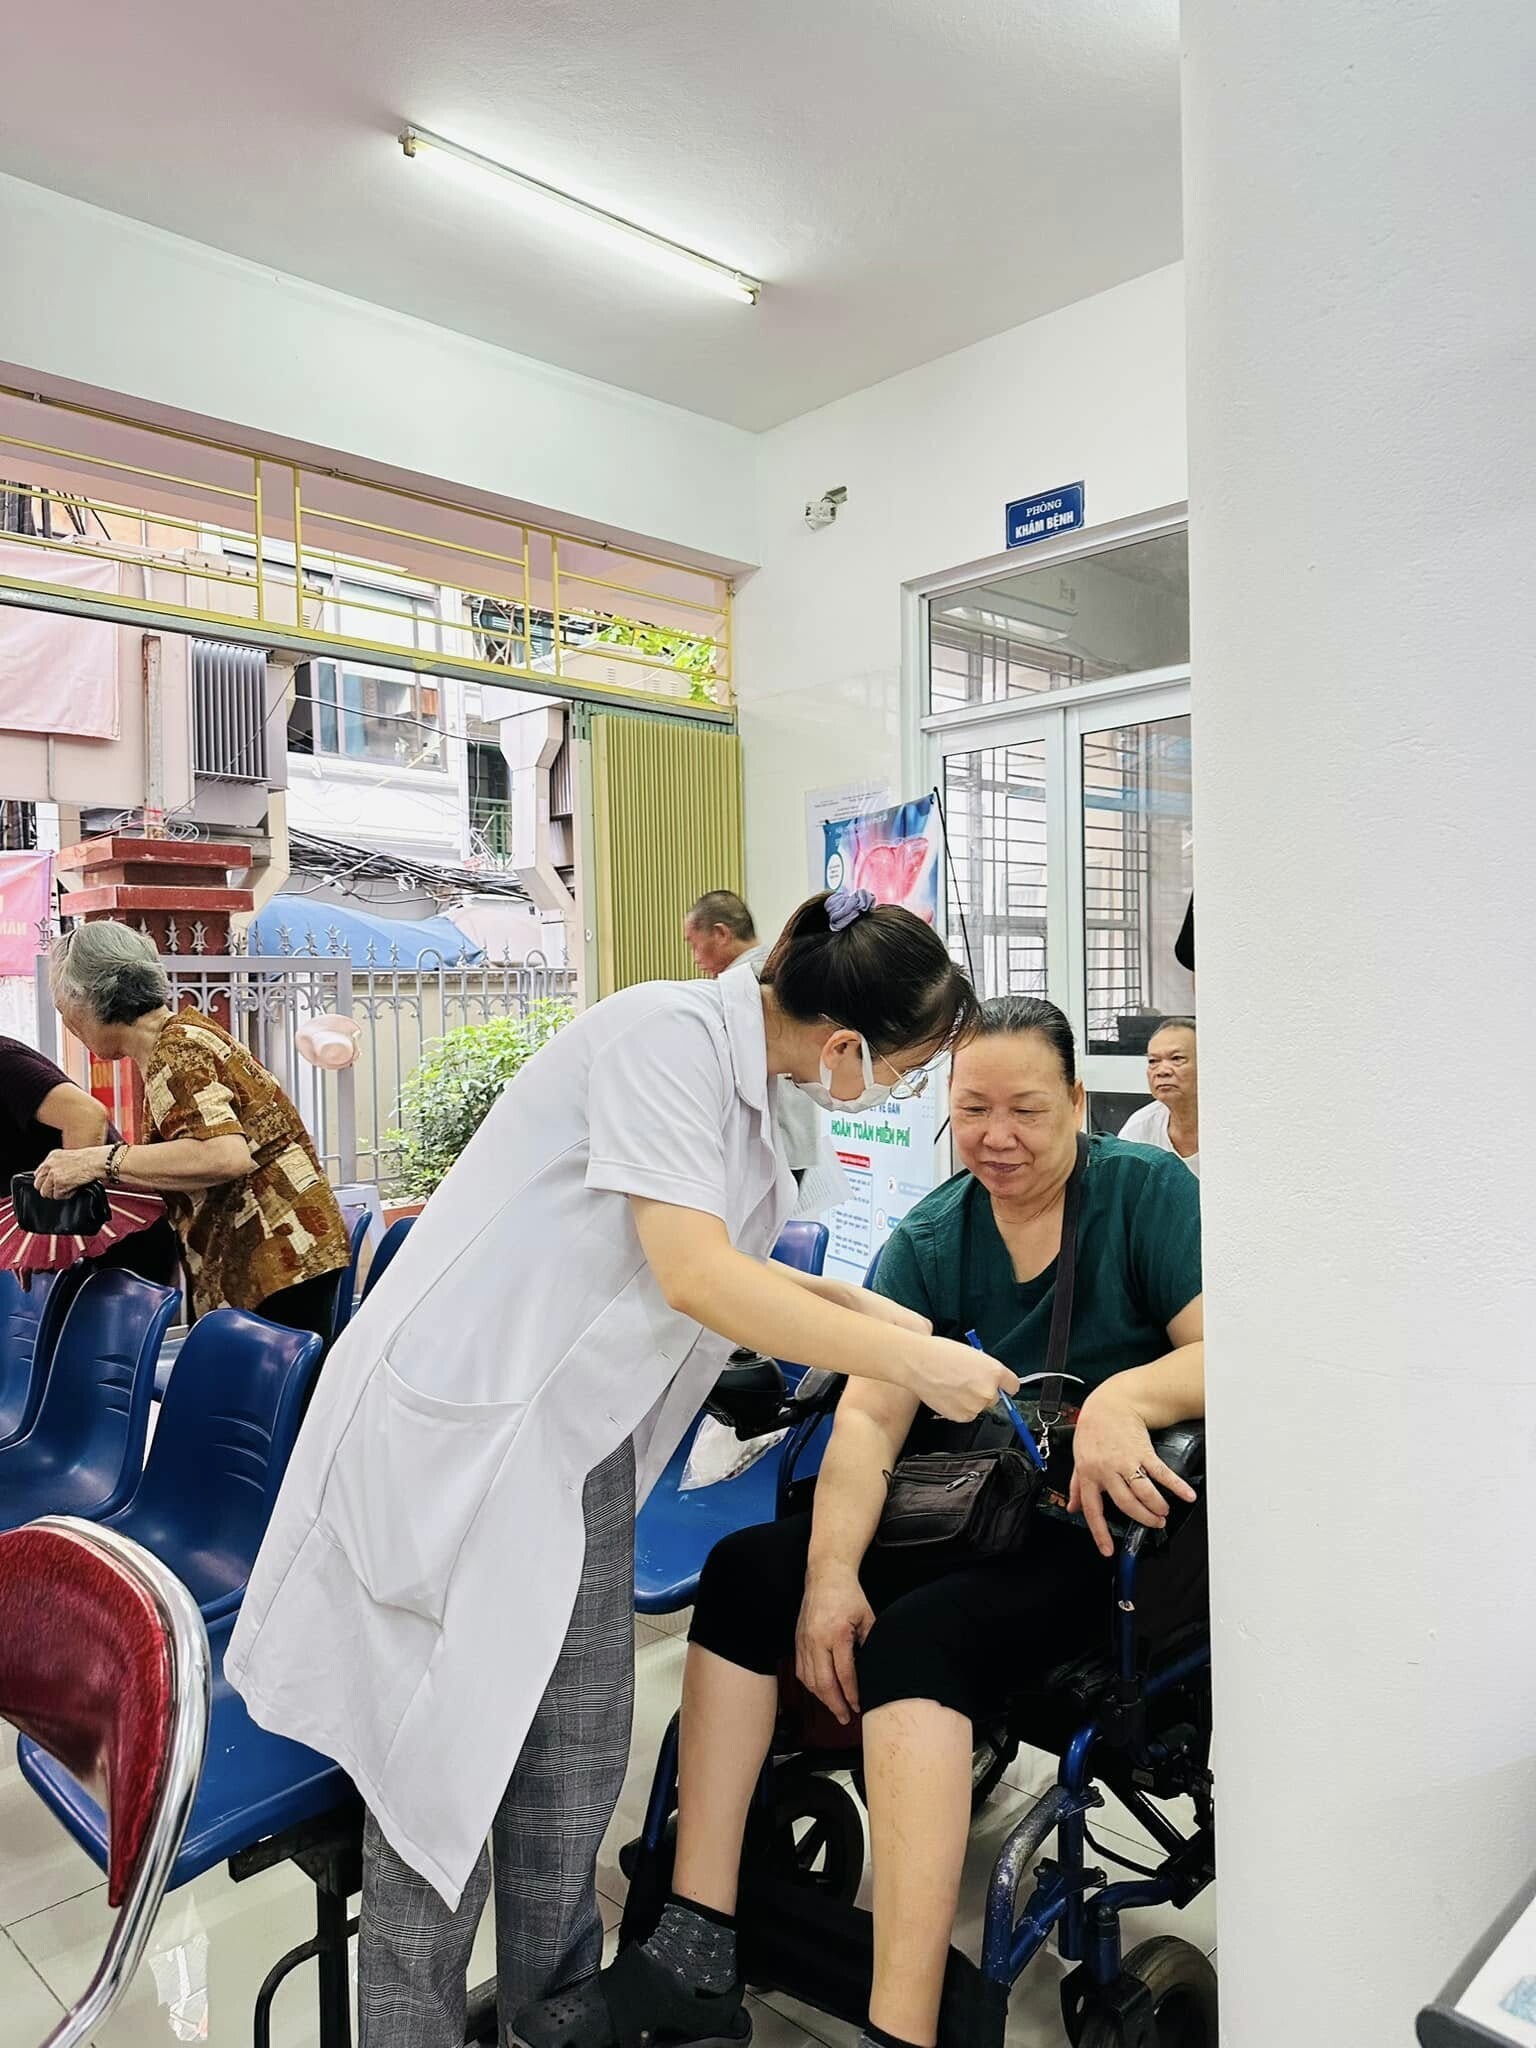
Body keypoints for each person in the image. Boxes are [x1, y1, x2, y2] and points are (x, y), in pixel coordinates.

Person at [226, 887, 1018, 2048]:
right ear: (846, 1044)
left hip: (568, 1453)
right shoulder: (664, 1037)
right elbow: (697, 1272)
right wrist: (908, 1358)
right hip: (467, 1443)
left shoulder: (746, 1089)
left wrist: (880, 1320)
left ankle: (552, 2018)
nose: (901, 1093)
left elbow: (733, 1261)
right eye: (907, 1071)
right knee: (444, 1781)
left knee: (577, 1751)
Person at [513, 995, 1204, 2048]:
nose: (998, 1136)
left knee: (920, 1641)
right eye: (973, 1109)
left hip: (1097, 1538)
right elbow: (872, 1418)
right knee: (749, 1571)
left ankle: (903, 2022)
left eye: (1026, 1109)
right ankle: (696, 1942)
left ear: (1076, 1101)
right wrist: (832, 1574)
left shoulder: (1147, 1194)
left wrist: (1124, 1399)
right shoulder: (936, 1231)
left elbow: (1227, 1350)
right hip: (968, 1505)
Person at [35, 921, 351, 1339]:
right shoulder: (180, 1037)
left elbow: (223, 1156)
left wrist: (98, 1160)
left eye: (65, 1011)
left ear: (89, 996)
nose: (70, 1026)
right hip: (281, 1255)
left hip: (280, 1257)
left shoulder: (178, 1049)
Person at [685, 887, 839, 1208]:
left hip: (771, 1143)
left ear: (721, 934)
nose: (695, 957)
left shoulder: (746, 986)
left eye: (694, 943)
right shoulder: (783, 970)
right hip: (790, 1142)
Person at [0, 1032, 181, 1286]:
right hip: (65, 1237)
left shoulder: (5, 1062)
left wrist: (50, 1230)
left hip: (115, 1235)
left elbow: (86, 1116)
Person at [1119, 1016, 1199, 1176]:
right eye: (1153, 1061)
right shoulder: (1139, 1128)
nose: (1162, 1071)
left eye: (1177, 1059)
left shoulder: (1231, 1126)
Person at [682, 890, 757, 978]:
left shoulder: (742, 981)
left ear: (721, 934)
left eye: (695, 945)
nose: (696, 959)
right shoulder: (768, 966)